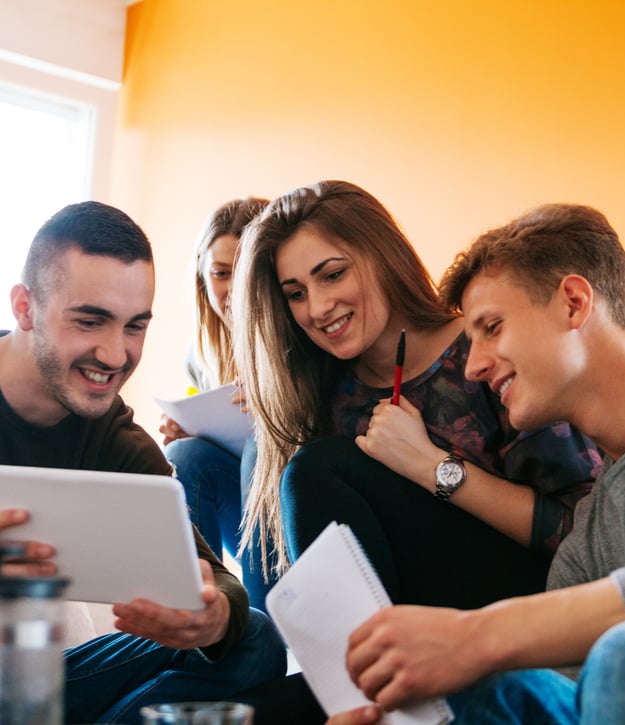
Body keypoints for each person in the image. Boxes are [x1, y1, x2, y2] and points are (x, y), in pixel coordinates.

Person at [324, 202, 625, 724]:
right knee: (479, 694)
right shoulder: (589, 540)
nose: (473, 365)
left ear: (574, 304)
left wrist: (477, 634)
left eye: (492, 327)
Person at [233, 180, 601, 611]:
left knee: (313, 469)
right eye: (296, 294)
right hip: (405, 623)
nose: (317, 308)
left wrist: (432, 467)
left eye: (333, 275)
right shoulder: (323, 393)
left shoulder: (486, 351)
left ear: (383, 256)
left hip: (529, 604)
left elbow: (584, 530)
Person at [0, 201, 287, 725]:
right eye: (91, 321)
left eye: (135, 327)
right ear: (25, 307)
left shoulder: (109, 434)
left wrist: (212, 616)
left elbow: (213, 578)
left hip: (31, 687)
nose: (115, 355)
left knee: (252, 637)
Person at [160, 197, 274, 611]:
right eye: (222, 273)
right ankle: (203, 613)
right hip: (244, 518)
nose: (234, 289)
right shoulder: (202, 355)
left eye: (247, 272)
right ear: (202, 278)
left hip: (301, 521)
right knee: (183, 455)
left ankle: (266, 627)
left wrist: (275, 408)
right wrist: (188, 429)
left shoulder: (306, 336)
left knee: (263, 446)